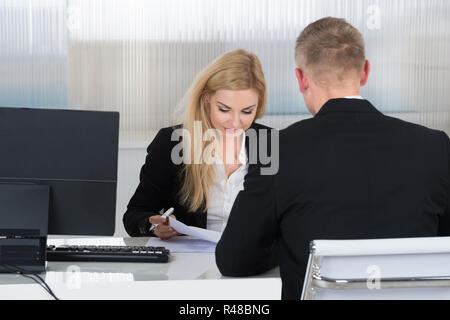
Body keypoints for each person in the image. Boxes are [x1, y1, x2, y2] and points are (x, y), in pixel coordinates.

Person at [215, 17, 450, 300]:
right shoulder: (435, 147)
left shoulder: (276, 148)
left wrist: (286, 240)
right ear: (365, 72)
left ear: (301, 79)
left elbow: (234, 259)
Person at [123, 49, 274, 240]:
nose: (236, 123)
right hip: (190, 263)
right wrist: (153, 225)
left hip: (252, 264)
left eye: (247, 111)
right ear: (206, 98)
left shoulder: (270, 143)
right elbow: (135, 214)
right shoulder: (172, 142)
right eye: (224, 110)